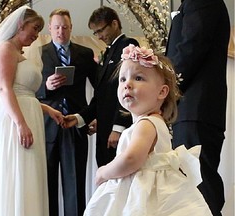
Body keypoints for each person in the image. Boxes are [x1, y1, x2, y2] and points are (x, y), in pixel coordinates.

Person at [83, 44, 212, 216]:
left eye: (138, 78)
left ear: (162, 92)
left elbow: (131, 159)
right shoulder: (151, 122)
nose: (127, 84)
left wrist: (104, 172)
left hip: (144, 194)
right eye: (122, 79)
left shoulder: (147, 124)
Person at [0, 6, 63, 216]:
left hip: (25, 117)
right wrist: (21, 124)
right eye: (34, 28)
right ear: (20, 24)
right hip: (11, 122)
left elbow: (23, 94)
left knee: (27, 175)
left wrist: (47, 109)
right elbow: (4, 89)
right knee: (13, 173)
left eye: (39, 30)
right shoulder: (5, 49)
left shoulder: (18, 53)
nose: (36, 34)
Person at [165, 0, 230, 215]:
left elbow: (191, 47)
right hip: (191, 109)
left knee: (199, 186)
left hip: (196, 108)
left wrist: (166, 87)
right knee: (191, 185)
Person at [35, 8, 97, 216]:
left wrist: (91, 116)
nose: (60, 31)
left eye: (64, 27)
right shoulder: (38, 53)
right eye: (56, 27)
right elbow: (26, 89)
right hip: (46, 125)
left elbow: (101, 88)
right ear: (50, 29)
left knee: (75, 185)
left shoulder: (85, 54)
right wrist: (46, 87)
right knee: (46, 184)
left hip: (75, 124)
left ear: (71, 28)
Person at [64, 6, 139, 168]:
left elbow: (128, 90)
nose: (98, 36)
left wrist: (118, 127)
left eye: (100, 31)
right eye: (95, 33)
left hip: (117, 130)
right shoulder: (110, 51)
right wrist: (80, 118)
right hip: (104, 129)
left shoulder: (128, 45)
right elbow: (101, 95)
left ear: (114, 24)